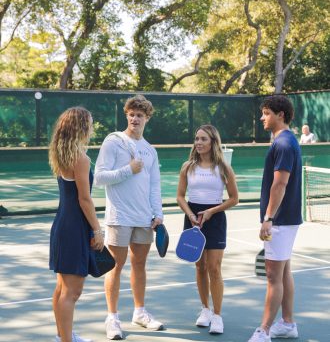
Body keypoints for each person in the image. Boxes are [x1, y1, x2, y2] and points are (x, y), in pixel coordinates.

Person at [94, 94, 164, 340]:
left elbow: (154, 185)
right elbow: (99, 177)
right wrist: (129, 170)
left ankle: (139, 312)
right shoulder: (114, 142)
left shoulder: (150, 150)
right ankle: (112, 318)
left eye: (140, 115)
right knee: (115, 265)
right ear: (127, 115)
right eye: (131, 114)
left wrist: (158, 213)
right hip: (119, 217)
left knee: (140, 265)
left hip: (144, 218)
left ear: (147, 118)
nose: (135, 118)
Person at [248, 95, 302, 342]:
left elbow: (279, 184)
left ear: (280, 115)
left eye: (266, 113)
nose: (262, 117)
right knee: (284, 271)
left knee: (273, 276)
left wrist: (268, 217)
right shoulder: (287, 141)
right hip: (286, 219)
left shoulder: (283, 144)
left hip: (280, 221)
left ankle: (264, 331)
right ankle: (288, 323)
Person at [176, 124, 239, 335]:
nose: (199, 143)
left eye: (203, 139)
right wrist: (191, 215)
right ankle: (205, 310)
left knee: (214, 268)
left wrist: (212, 211)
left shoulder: (224, 168)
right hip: (193, 217)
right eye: (197, 139)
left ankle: (218, 316)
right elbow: (179, 196)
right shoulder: (187, 167)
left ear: (213, 142)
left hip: (215, 217)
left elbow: (234, 199)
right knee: (200, 267)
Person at [49, 107, 104, 342]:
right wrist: (97, 229)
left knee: (62, 288)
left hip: (63, 225)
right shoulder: (80, 158)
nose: (92, 128)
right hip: (74, 228)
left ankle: (64, 335)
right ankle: (66, 339)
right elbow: (84, 199)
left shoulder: (61, 154)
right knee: (72, 291)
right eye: (90, 123)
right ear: (81, 126)